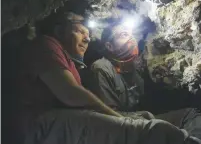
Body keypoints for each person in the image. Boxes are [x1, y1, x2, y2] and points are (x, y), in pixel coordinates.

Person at [17, 12, 201, 144]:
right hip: (43, 125)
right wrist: (123, 120)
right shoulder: (47, 45)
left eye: (88, 35)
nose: (87, 39)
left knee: (174, 119)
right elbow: (71, 94)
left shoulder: (73, 64)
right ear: (60, 30)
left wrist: (134, 117)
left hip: (58, 123)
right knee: (157, 131)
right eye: (80, 31)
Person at [90, 21, 201, 139]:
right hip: (121, 129)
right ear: (109, 46)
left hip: (140, 120)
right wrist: (142, 116)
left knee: (190, 114)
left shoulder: (135, 67)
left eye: (131, 34)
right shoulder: (101, 68)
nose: (131, 39)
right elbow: (108, 115)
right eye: (123, 35)